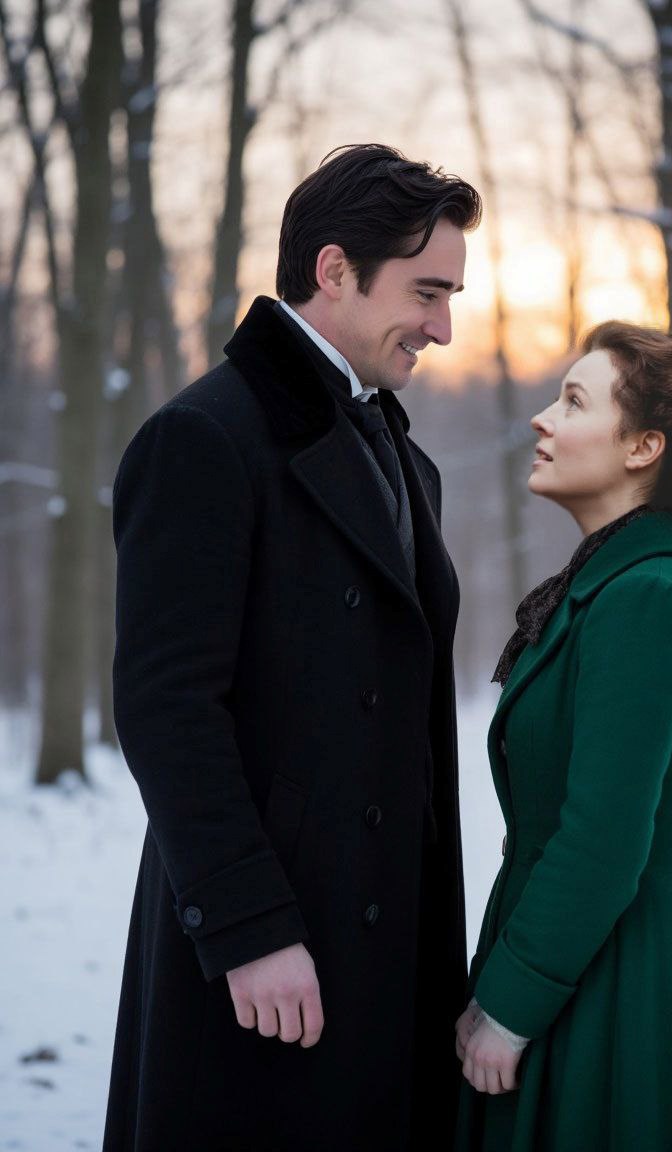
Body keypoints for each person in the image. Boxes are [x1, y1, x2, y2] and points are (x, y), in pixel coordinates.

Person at [103, 144, 481, 1152]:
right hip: (269, 955)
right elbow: (166, 706)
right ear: (333, 270)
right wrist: (248, 929)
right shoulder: (204, 437)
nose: (443, 328)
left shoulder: (406, 461)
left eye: (450, 297)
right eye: (427, 292)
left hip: (389, 942)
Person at [454, 323, 672, 1152]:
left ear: (644, 447)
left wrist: (513, 1004)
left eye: (574, 401)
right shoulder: (626, 586)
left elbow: (603, 839)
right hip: (596, 954)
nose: (542, 418)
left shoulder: (644, 600)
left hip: (624, 981)